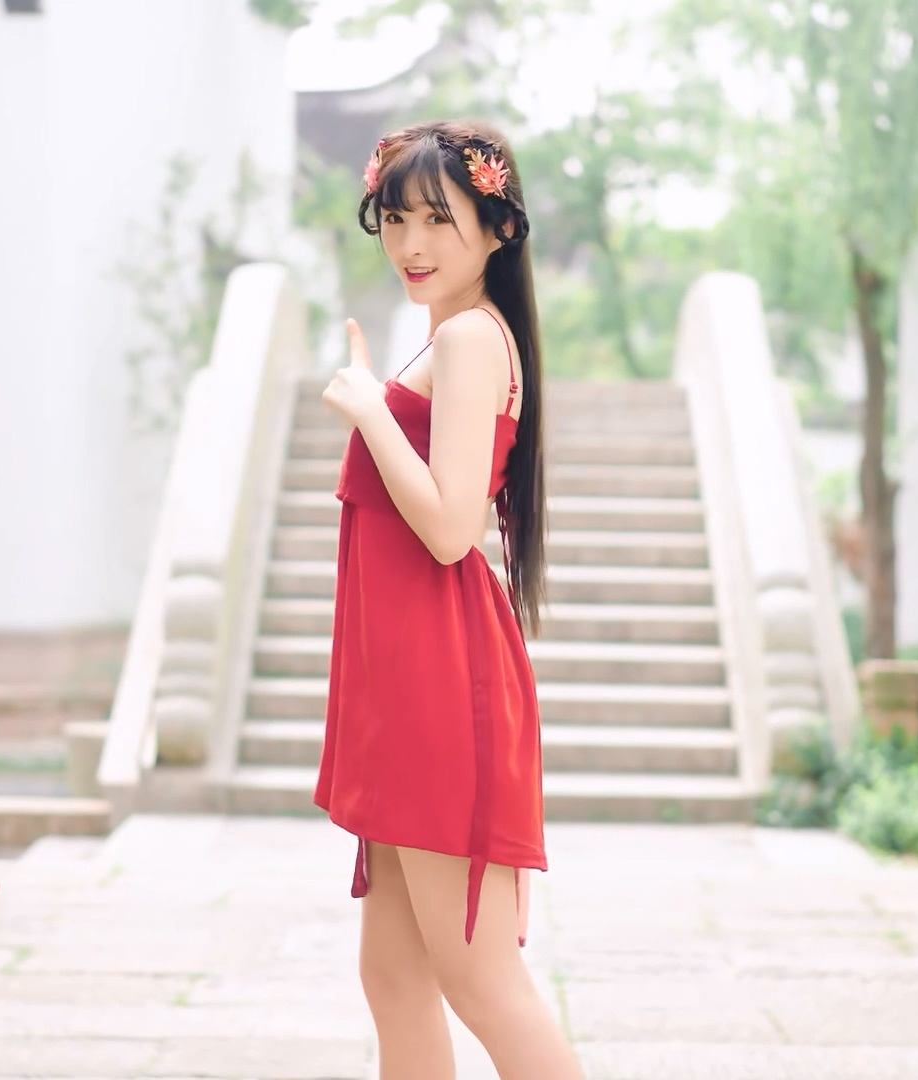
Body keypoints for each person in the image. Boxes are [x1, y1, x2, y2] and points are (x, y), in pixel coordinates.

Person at [315, 120, 584, 1080]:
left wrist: (370, 410)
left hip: (440, 683)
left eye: (437, 219)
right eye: (394, 220)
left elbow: (448, 527)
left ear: (498, 227)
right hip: (405, 682)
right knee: (393, 977)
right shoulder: (459, 337)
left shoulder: (471, 337)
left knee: (480, 981)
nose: (411, 244)